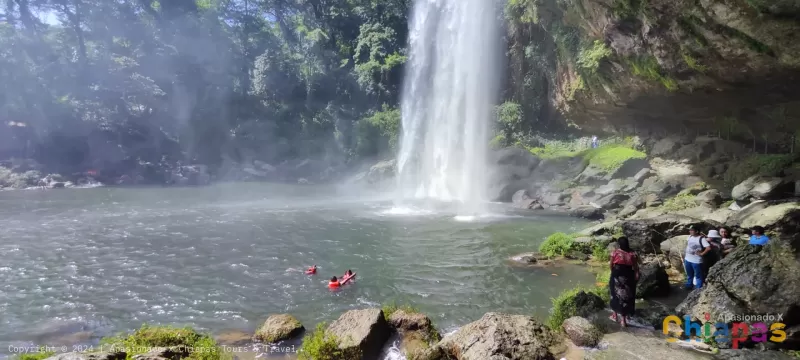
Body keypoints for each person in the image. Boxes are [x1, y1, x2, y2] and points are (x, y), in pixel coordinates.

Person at [609, 236, 639, 327]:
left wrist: (613, 274)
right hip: (628, 275)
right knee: (627, 297)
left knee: (615, 294)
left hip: (617, 275)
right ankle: (624, 320)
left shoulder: (615, 253)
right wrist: (636, 274)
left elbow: (611, 265)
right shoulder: (632, 254)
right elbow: (635, 266)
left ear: (619, 244)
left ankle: (614, 315)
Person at [684, 225, 711, 290]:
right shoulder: (690, 237)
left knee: (698, 276)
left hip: (697, 260)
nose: (690, 231)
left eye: (692, 230)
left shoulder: (701, 238)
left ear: (696, 231)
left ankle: (698, 289)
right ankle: (689, 285)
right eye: (690, 230)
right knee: (689, 274)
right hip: (688, 258)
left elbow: (708, 248)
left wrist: (702, 253)